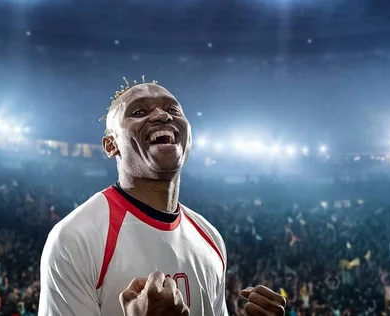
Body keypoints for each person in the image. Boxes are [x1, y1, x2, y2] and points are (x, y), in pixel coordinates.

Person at [38, 77, 287, 315]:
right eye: (138, 112)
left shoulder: (210, 237)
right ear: (111, 145)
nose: (162, 115)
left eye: (173, 109)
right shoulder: (74, 238)